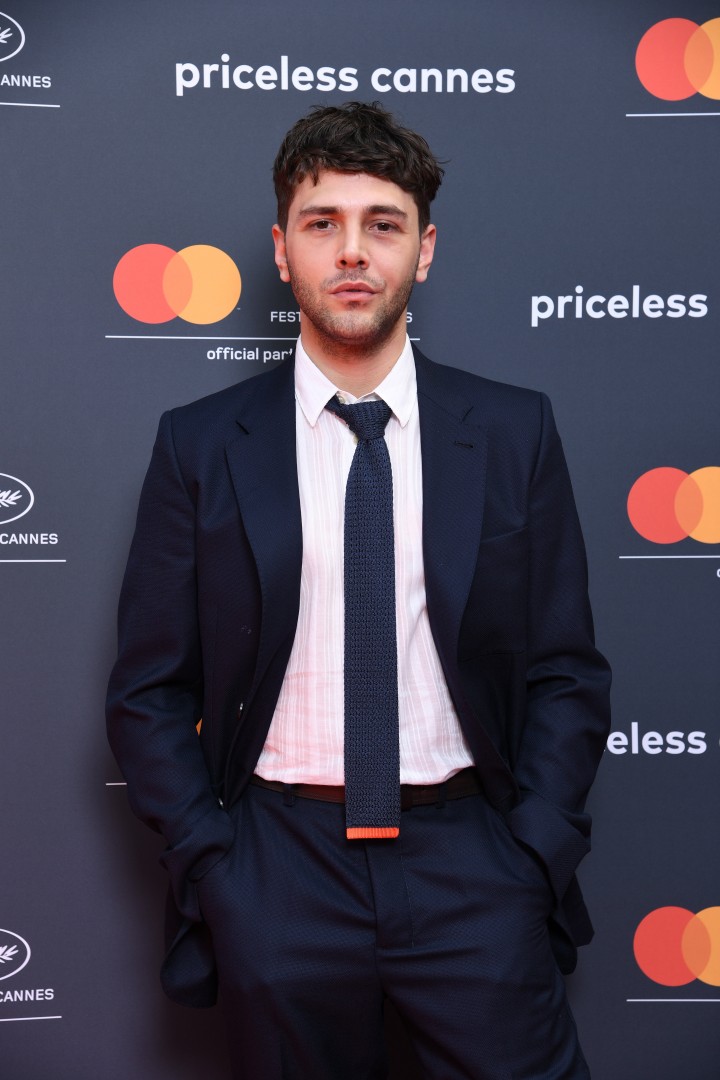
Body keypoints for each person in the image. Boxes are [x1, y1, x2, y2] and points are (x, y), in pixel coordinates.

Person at [107, 101, 611, 1080]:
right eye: (321, 222)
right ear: (281, 250)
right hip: (278, 867)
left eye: (383, 224)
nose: (352, 251)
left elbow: (565, 670)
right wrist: (216, 864)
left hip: (473, 860)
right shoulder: (200, 445)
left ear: (424, 251)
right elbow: (148, 690)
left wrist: (531, 854)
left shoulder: (513, 432)